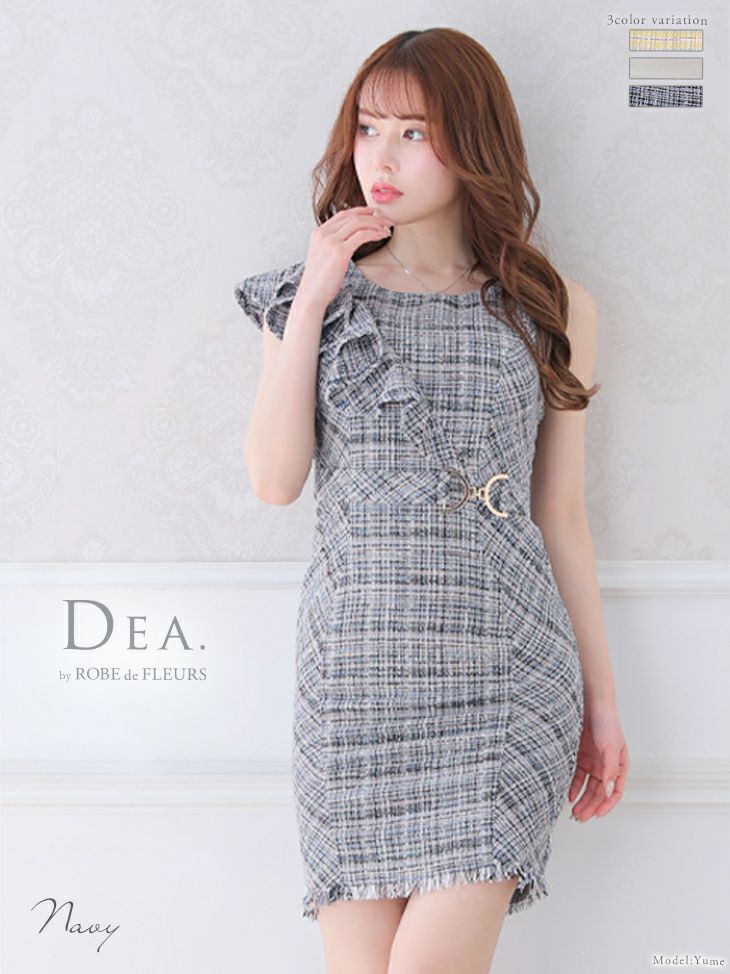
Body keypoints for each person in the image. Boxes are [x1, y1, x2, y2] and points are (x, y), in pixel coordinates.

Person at [236, 26, 629, 974]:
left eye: (414, 132)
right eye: (369, 128)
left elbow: (560, 514)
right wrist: (317, 292)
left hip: (502, 676)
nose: (381, 157)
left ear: (474, 143)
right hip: (354, 683)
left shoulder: (551, 305)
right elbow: (275, 481)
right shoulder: (305, 300)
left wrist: (603, 702)